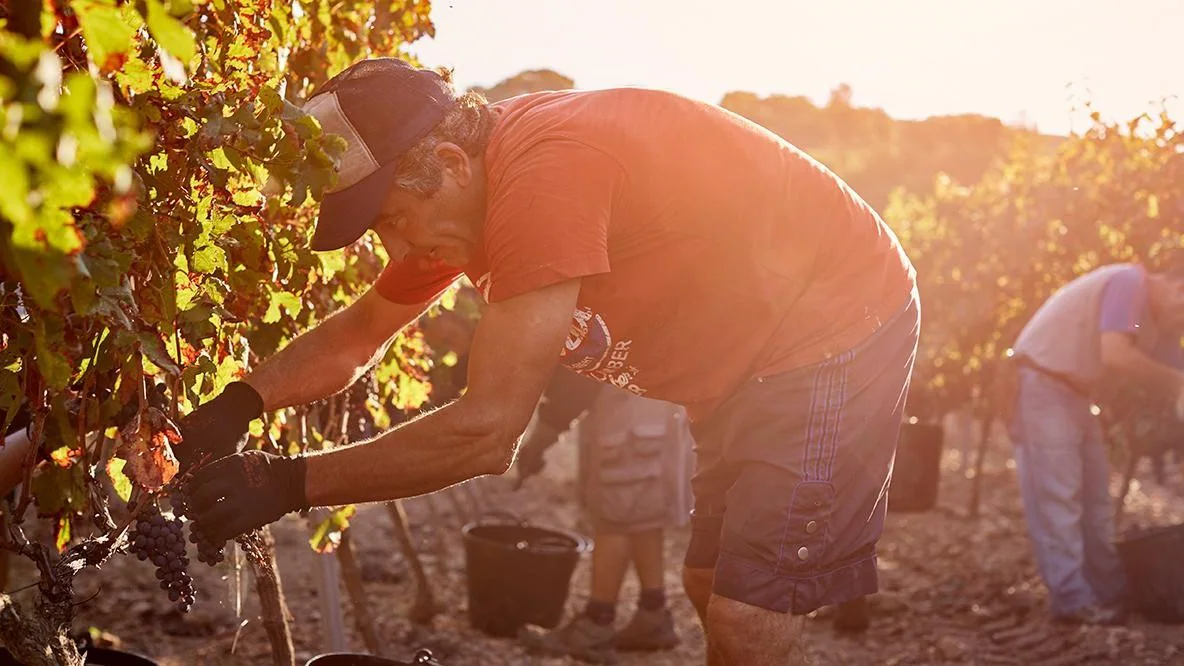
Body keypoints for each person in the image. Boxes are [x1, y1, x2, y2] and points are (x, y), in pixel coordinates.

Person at [179, 57, 919, 664]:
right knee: (708, 579)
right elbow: (360, 332)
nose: (396, 252)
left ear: (448, 162)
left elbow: (487, 431)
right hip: (741, 367)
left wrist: (288, 483)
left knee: (748, 615)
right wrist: (238, 403)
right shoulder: (463, 196)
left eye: (391, 223)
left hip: (831, 329)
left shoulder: (545, 176)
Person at [1002, 256, 1184, 625]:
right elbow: (1116, 355)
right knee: (1059, 498)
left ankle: (1110, 593)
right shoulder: (1129, 283)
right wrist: (1178, 383)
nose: (1181, 325)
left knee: (1095, 500)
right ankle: (1073, 601)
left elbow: (1176, 368)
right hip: (1042, 384)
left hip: (1076, 394)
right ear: (1179, 289)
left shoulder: (1154, 319)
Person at [513, 368, 693, 663]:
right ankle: (653, 615)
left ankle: (596, 624)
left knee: (613, 520)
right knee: (641, 515)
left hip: (628, 416)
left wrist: (537, 443)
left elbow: (572, 391)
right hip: (653, 412)